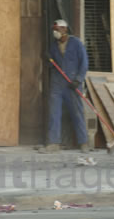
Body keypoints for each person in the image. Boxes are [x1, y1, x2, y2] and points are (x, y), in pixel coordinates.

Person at [39, 19, 89, 154]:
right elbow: (51, 65)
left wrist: (78, 80)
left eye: (58, 29)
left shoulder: (76, 43)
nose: (55, 32)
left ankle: (84, 143)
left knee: (77, 113)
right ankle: (53, 143)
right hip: (57, 84)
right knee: (54, 113)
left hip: (72, 84)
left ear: (65, 30)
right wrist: (47, 58)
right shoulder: (53, 46)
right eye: (54, 30)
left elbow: (84, 64)